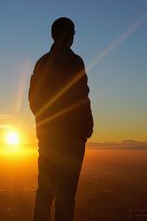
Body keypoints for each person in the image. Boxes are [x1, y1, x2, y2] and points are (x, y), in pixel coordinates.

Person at [29, 17, 93, 221]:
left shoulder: (41, 63)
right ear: (70, 35)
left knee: (45, 191)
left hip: (47, 137)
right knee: (66, 195)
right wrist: (85, 128)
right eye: (73, 33)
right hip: (71, 138)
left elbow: (33, 100)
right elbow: (81, 96)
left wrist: (45, 122)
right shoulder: (75, 61)